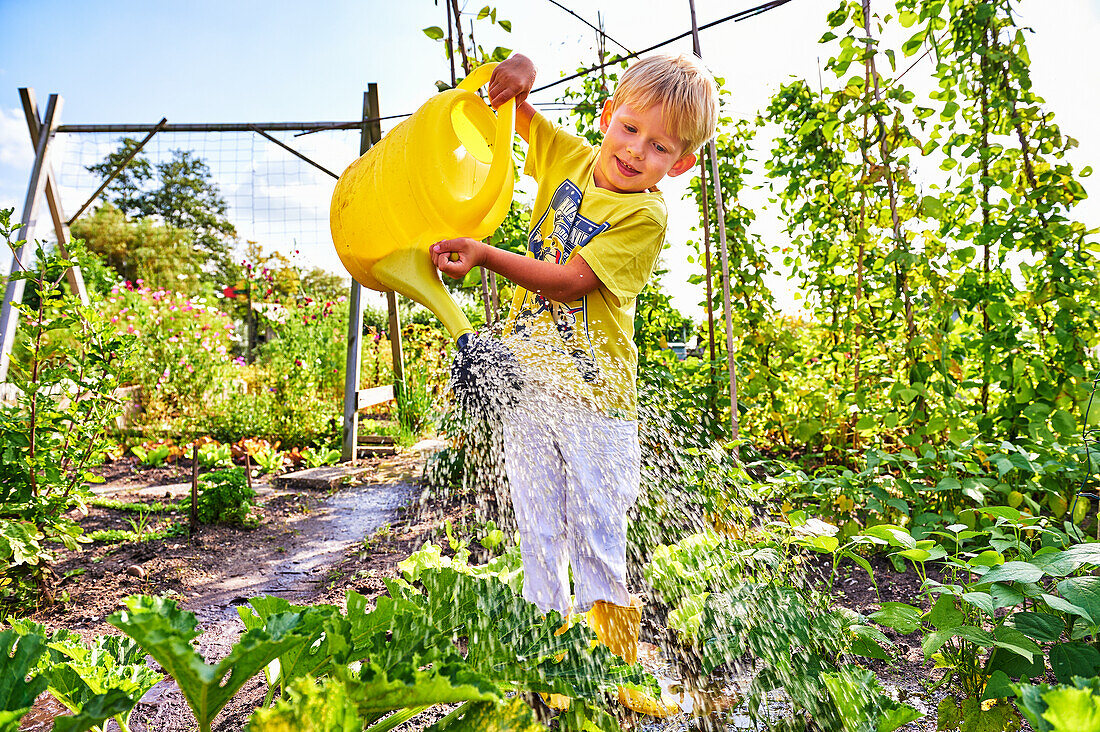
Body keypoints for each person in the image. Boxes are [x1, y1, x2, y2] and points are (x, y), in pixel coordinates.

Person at [432, 52, 718, 717]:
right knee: (537, 531)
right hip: (531, 391)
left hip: (597, 405)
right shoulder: (569, 155)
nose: (635, 151)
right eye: (629, 129)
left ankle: (611, 670)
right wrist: (520, 69)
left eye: (659, 147)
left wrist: (483, 255)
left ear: (679, 165)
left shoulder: (646, 215)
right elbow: (511, 112)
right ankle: (549, 659)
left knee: (595, 535)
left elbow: (570, 282)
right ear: (607, 115)